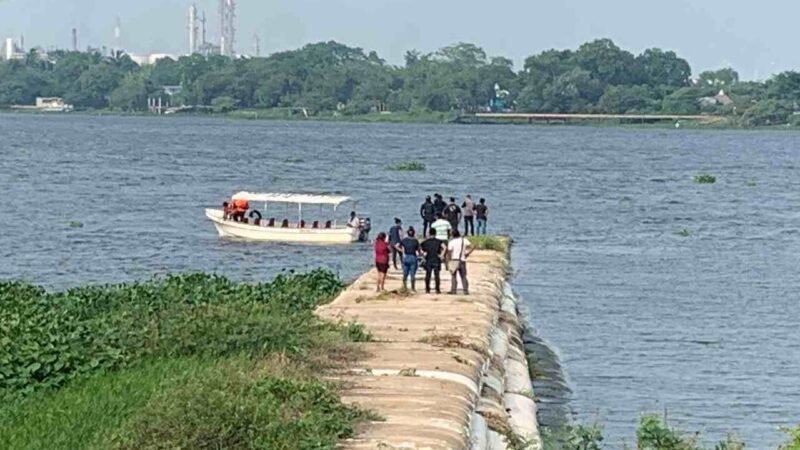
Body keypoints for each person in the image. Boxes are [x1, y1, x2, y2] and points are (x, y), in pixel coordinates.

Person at [447, 230, 473, 295]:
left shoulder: (451, 242)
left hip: (454, 260)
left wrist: (449, 261)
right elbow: (472, 246)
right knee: (463, 276)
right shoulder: (464, 240)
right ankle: (465, 290)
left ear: (452, 235)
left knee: (453, 276)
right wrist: (467, 254)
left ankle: (453, 290)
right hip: (462, 260)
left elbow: (449, 252)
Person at [421, 228, 446, 294]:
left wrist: (423, 254)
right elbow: (444, 247)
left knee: (428, 275)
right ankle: (437, 289)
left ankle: (427, 289)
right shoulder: (439, 241)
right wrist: (442, 255)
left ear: (429, 233)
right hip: (436, 259)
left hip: (428, 259)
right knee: (437, 275)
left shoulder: (425, 242)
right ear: (435, 233)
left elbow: (420, 248)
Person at [396, 227, 421, 292]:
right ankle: (413, 288)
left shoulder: (404, 240)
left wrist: (401, 251)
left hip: (406, 257)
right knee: (412, 274)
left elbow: (396, 245)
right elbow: (419, 250)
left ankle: (404, 287)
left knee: (405, 273)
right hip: (413, 257)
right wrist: (421, 254)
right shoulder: (415, 241)